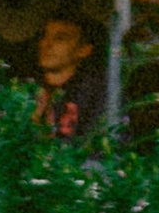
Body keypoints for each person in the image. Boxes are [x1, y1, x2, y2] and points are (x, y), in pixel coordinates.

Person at [30, 11, 108, 140]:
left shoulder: (95, 94)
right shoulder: (25, 89)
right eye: (45, 36)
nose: (47, 44)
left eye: (60, 38)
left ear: (83, 50)